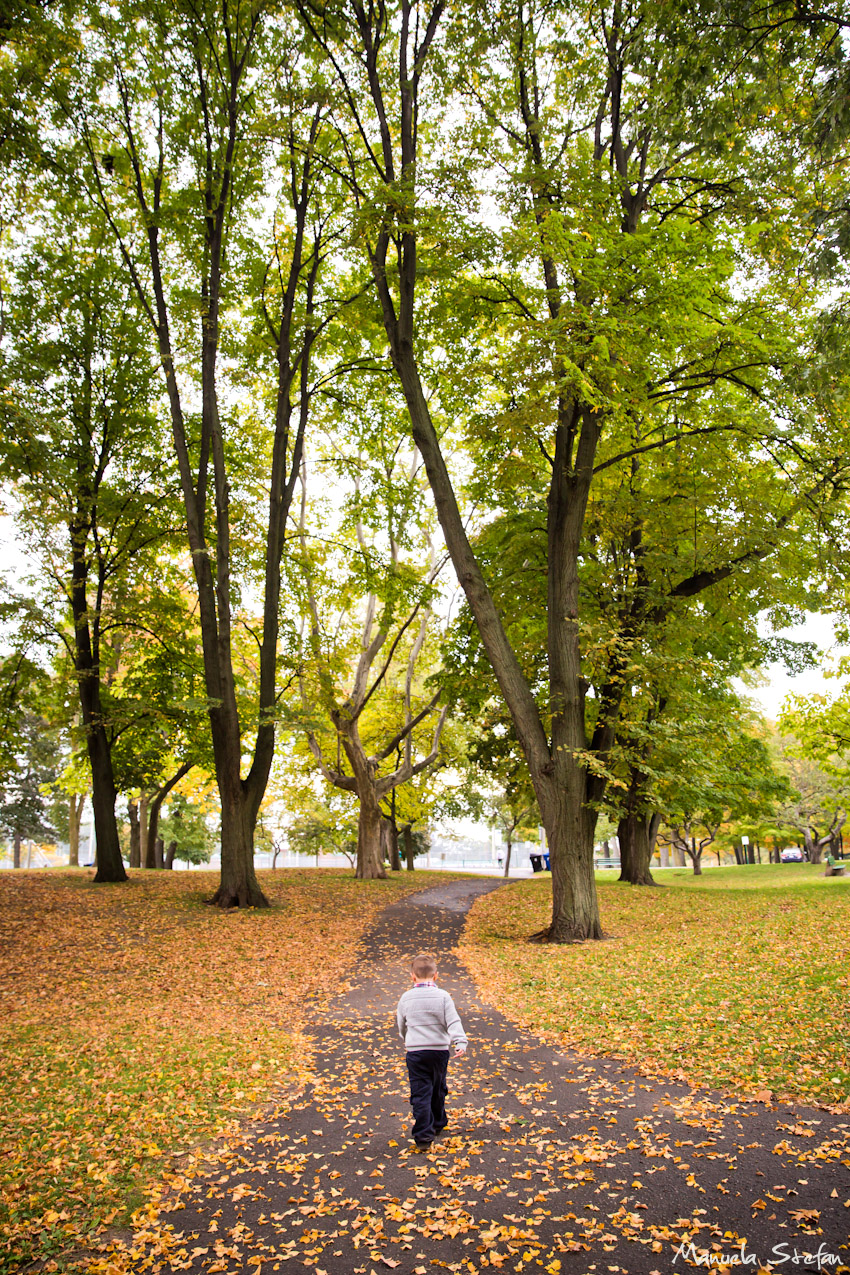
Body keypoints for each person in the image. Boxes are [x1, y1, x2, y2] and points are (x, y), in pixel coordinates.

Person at [396, 952, 467, 1150]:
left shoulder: (406, 998)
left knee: (420, 1092)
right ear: (436, 976)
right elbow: (453, 1021)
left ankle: (423, 1136)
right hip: (438, 1051)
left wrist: (407, 1038)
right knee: (437, 1087)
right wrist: (460, 1041)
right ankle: (437, 1122)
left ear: (412, 976)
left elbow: (401, 1024)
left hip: (416, 1052)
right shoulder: (443, 996)